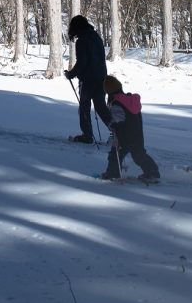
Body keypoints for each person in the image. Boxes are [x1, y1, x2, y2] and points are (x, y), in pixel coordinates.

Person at [101, 75, 160, 183]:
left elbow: (117, 120)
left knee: (115, 155)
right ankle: (152, 172)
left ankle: (113, 174)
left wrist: (112, 125)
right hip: (137, 134)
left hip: (124, 136)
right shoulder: (130, 100)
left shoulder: (116, 103)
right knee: (139, 155)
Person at [64, 15, 110, 143]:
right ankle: (118, 133)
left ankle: (87, 136)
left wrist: (71, 74)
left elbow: (82, 62)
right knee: (101, 107)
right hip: (101, 78)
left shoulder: (82, 41)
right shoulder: (97, 38)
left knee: (84, 107)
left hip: (88, 80)